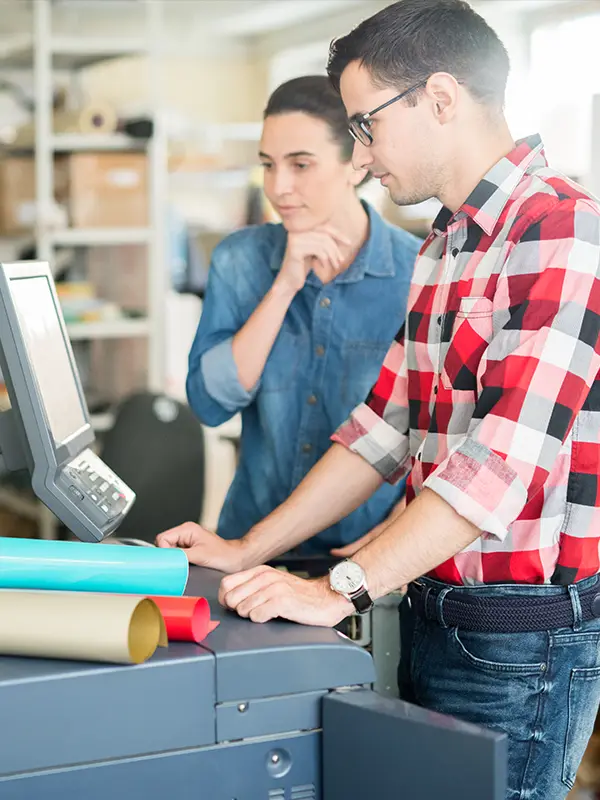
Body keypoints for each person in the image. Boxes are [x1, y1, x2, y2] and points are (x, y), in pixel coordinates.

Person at [157, 2, 600, 798]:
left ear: (439, 99)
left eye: (364, 125)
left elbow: (494, 467)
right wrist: (246, 548)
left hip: (520, 645)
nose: (359, 153)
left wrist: (336, 587)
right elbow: (379, 429)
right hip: (434, 610)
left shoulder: (563, 233)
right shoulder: (445, 243)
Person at [184, 75, 421, 557]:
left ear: (357, 162)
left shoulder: (419, 271)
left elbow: (443, 430)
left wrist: (402, 526)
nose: (278, 187)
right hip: (248, 549)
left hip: (366, 560)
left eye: (301, 165)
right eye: (268, 166)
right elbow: (210, 404)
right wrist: (284, 287)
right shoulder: (240, 260)